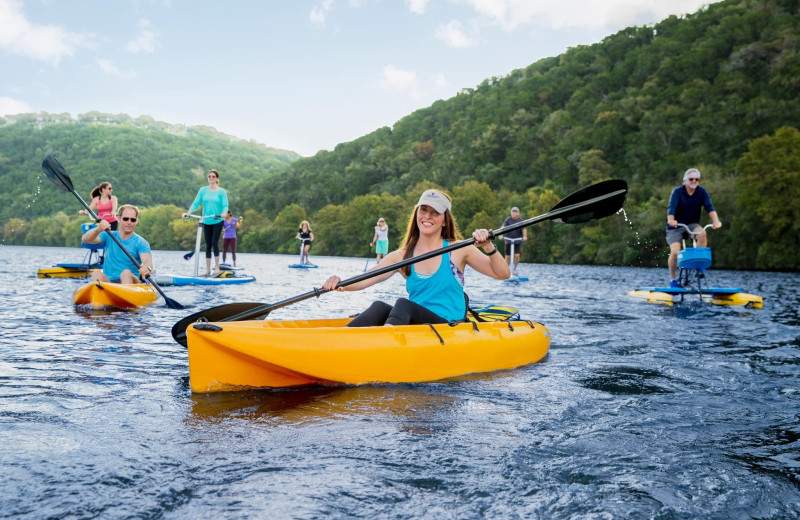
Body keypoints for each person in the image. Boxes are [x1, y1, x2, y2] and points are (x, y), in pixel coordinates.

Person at [322, 189, 510, 327]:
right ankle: (337, 344)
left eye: (435, 212)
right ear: (416, 214)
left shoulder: (459, 249)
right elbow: (366, 279)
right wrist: (340, 284)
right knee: (379, 307)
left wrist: (488, 246)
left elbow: (502, 274)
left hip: (449, 326)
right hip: (417, 327)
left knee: (404, 305)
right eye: (423, 210)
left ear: (444, 220)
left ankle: (384, 346)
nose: (427, 216)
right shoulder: (402, 256)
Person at [666, 168, 722, 287]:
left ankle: (699, 266)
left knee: (702, 234)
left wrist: (715, 220)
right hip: (676, 226)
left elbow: (709, 207)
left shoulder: (701, 192)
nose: (694, 181)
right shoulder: (677, 192)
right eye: (691, 179)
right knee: (675, 252)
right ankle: (673, 279)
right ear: (684, 181)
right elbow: (672, 208)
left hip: (692, 224)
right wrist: (671, 220)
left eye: (696, 179)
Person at [81, 205, 153, 284]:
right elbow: (85, 239)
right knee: (96, 274)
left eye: (132, 220)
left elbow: (148, 263)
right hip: (110, 283)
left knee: (125, 273)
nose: (129, 222)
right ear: (118, 218)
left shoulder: (141, 242)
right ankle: (103, 293)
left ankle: (125, 294)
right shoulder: (108, 235)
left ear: (136, 221)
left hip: (132, 282)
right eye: (125, 219)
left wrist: (147, 268)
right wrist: (98, 229)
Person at [183, 169, 228, 276]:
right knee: (208, 245)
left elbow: (225, 205)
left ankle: (216, 268)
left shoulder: (221, 191)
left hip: (217, 220)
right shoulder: (203, 190)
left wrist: (224, 213)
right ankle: (208, 270)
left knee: (214, 243)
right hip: (206, 220)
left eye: (213, 176)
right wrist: (188, 213)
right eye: (209, 176)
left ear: (217, 179)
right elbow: (196, 202)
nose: (211, 178)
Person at [498, 206, 527, 275]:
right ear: (511, 213)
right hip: (508, 240)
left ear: (518, 213)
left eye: (515, 212)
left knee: (517, 256)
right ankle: (506, 270)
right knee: (507, 257)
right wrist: (501, 235)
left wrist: (524, 236)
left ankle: (514, 269)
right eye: (513, 212)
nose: (514, 213)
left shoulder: (520, 220)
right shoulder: (508, 220)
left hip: (517, 241)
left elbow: (524, 229)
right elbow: (503, 227)